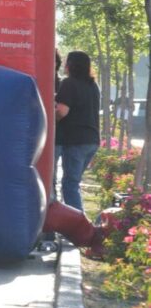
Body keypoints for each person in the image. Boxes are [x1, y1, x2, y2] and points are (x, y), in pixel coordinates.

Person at [55, 50, 101, 212]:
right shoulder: (93, 85)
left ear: (70, 65)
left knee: (70, 185)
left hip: (75, 141)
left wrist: (46, 118)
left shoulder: (69, 83)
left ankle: (79, 230)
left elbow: (61, 111)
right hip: (92, 140)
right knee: (73, 182)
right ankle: (76, 225)